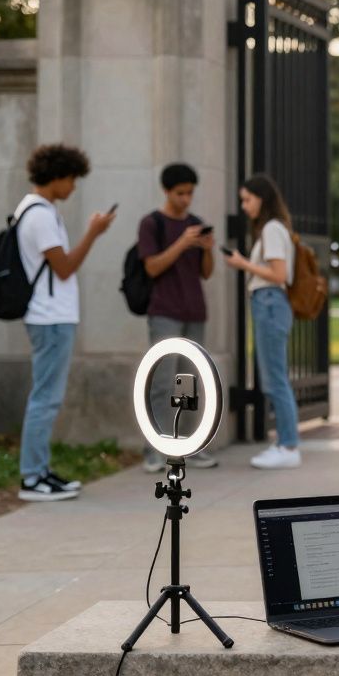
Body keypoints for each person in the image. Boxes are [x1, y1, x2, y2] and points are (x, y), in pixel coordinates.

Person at [14, 144, 115, 501]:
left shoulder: (36, 210)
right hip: (50, 318)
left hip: (50, 316)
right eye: (71, 179)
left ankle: (40, 471)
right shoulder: (40, 215)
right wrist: (94, 232)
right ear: (56, 176)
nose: (73, 187)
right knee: (46, 397)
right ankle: (32, 478)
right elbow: (65, 267)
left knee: (47, 396)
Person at [138, 163, 219, 473]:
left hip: (195, 311)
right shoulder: (152, 224)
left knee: (190, 384)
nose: (186, 199)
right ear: (167, 191)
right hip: (164, 312)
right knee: (161, 382)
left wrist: (207, 249)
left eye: (190, 193)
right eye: (180, 193)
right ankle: (156, 449)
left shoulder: (196, 224)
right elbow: (152, 267)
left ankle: (189, 446)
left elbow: (206, 273)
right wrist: (182, 243)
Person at [224, 174, 302, 469]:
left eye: (247, 199)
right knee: (274, 376)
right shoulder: (274, 228)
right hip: (269, 303)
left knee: (275, 378)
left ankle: (288, 445)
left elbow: (279, 275)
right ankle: (284, 441)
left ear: (262, 199)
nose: (244, 206)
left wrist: (243, 263)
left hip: (269, 302)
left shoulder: (271, 229)